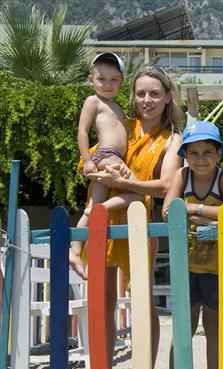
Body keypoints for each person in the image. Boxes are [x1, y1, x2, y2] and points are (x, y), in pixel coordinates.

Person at [71, 66, 185, 369]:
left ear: (167, 97)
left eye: (154, 93)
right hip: (104, 222)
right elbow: (91, 162)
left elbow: (166, 185)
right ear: (132, 95)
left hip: (140, 222)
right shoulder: (121, 124)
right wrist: (97, 170)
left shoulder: (173, 138)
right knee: (102, 303)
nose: (147, 100)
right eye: (141, 93)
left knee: (143, 303)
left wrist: (124, 182)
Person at [162, 120, 223, 369]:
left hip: (217, 267)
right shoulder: (182, 176)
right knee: (184, 328)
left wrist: (193, 210)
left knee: (213, 327)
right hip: (185, 266)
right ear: (185, 155)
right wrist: (212, 216)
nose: (200, 159)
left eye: (207, 152)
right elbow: (168, 211)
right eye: (193, 153)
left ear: (219, 154)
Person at [71, 52, 142, 277]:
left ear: (121, 81)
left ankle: (75, 251)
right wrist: (87, 159)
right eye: (101, 79)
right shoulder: (93, 101)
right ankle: (99, 215)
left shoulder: (117, 108)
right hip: (106, 157)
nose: (107, 84)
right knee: (140, 194)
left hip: (115, 160)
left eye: (113, 80)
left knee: (92, 208)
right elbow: (82, 131)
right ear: (91, 79)